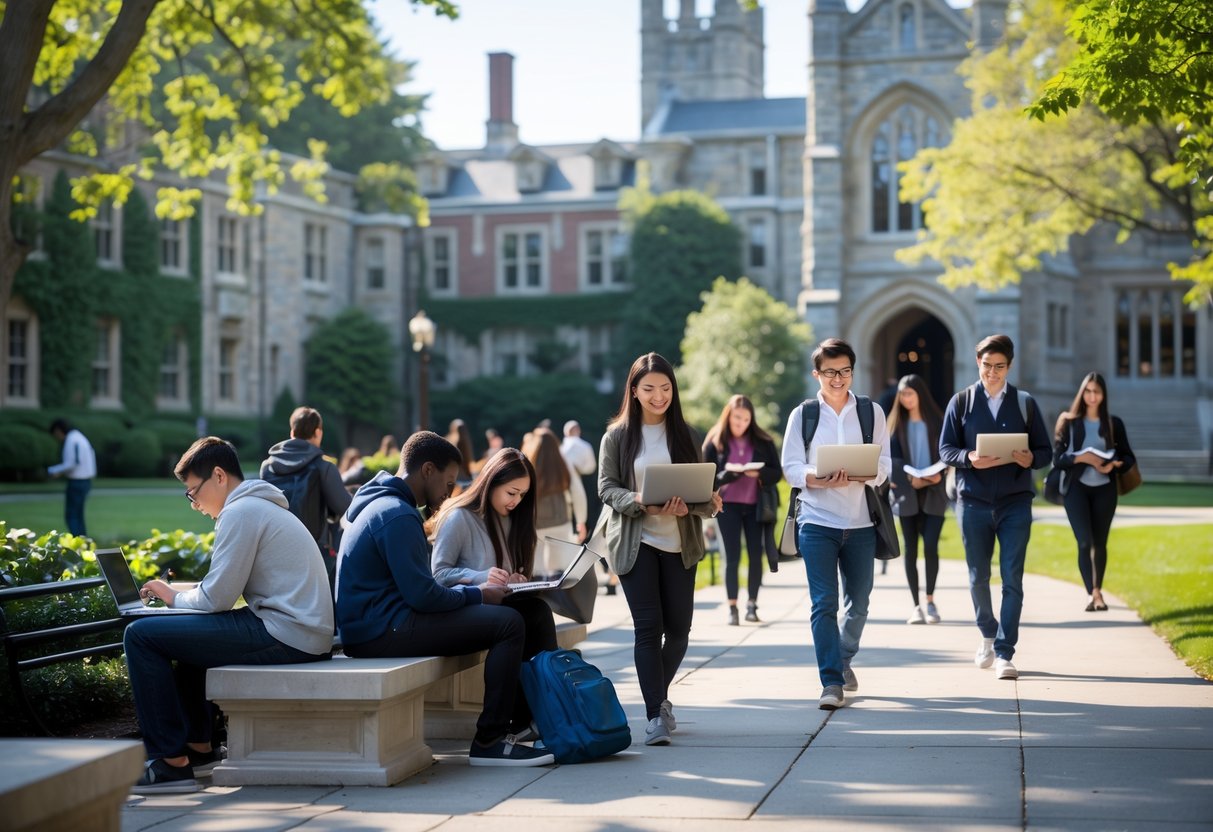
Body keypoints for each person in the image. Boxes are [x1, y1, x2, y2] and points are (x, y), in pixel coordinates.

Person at [126, 437, 334, 794]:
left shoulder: (240, 513)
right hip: (298, 629)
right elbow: (219, 593)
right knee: (191, 638)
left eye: (193, 492)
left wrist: (171, 596)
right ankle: (198, 748)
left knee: (141, 635)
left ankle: (170, 765)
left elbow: (217, 599)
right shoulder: (259, 507)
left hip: (287, 633)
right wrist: (182, 598)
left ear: (219, 476)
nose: (193, 504)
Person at [334, 431, 554, 767]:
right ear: (427, 471)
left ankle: (528, 722)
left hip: (379, 624)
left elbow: (419, 593)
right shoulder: (397, 514)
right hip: (381, 630)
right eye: (447, 481)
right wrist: (478, 593)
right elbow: (424, 595)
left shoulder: (383, 504)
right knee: (508, 624)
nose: (449, 492)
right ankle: (490, 741)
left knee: (524, 614)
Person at [597, 352, 721, 746]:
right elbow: (606, 487)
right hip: (637, 544)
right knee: (648, 630)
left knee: (679, 632)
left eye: (665, 388)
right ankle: (655, 714)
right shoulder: (616, 436)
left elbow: (699, 494)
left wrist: (703, 504)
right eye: (649, 389)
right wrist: (638, 500)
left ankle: (657, 696)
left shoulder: (687, 434)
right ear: (634, 391)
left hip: (679, 543)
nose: (658, 396)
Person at [781, 338, 890, 711]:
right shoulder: (804, 415)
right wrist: (816, 476)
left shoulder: (871, 413)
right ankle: (831, 681)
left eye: (844, 371)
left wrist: (865, 474)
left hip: (860, 523)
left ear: (852, 372)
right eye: (830, 372)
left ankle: (843, 657)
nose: (838, 378)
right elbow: (790, 466)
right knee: (823, 604)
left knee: (858, 605)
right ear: (817, 374)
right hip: (817, 521)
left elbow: (886, 464)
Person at [938, 334, 1051, 681]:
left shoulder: (1025, 404)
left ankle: (1005, 651)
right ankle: (987, 632)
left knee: (1012, 578)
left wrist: (1031, 457)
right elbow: (946, 449)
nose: (992, 372)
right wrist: (969, 458)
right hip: (972, 502)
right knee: (978, 576)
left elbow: (1045, 452)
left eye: (999, 366)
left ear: (1009, 366)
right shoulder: (962, 402)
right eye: (987, 365)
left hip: (1016, 503)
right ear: (978, 364)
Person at [431, 447, 559, 742]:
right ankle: (506, 726)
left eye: (523, 496)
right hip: (461, 607)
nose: (516, 502)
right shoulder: (459, 517)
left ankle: (538, 713)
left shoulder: (511, 520)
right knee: (515, 621)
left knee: (538, 613)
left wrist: (514, 580)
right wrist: (481, 577)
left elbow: (503, 574)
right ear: (492, 481)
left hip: (497, 606)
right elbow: (437, 576)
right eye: (512, 492)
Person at [1051, 372, 1136, 612]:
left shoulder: (1113, 423)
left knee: (1100, 542)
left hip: (1104, 490)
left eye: (1096, 392)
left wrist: (1115, 464)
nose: (1092, 396)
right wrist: (1082, 457)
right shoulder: (1068, 421)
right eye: (1087, 391)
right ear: (1082, 393)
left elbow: (1129, 457)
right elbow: (1057, 459)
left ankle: (1098, 591)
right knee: (1084, 542)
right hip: (1076, 489)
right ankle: (1091, 593)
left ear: (1103, 395)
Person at [701, 395, 781, 626]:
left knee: (756, 555)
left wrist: (760, 473)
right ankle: (733, 607)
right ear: (728, 416)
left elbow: (777, 473)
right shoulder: (714, 441)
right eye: (737, 418)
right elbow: (703, 477)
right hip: (727, 507)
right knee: (732, 556)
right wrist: (724, 476)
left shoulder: (763, 441)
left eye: (746, 419)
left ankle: (752, 605)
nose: (741, 423)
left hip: (756, 506)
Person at [260, 407, 353, 587]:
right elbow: (347, 508)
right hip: (314, 554)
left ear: (292, 431)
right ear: (318, 432)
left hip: (276, 551)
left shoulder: (267, 466)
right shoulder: (324, 467)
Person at [886, 374, 949, 625]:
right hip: (906, 493)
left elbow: (948, 453)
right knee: (910, 549)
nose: (906, 399)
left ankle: (931, 601)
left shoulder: (938, 421)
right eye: (902, 394)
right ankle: (916, 606)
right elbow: (890, 461)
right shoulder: (894, 425)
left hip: (934, 492)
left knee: (931, 546)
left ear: (920, 393)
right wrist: (913, 479)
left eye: (910, 393)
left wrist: (938, 475)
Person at [521, 427, 588, 576]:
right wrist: (581, 521)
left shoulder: (527, 463)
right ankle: (557, 599)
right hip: (560, 522)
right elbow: (578, 492)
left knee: (537, 571)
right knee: (558, 571)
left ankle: (538, 597)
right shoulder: (563, 461)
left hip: (535, 523)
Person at [47, 418, 97, 537]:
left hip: (76, 482)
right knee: (78, 515)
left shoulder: (71, 440)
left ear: (58, 431)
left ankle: (77, 542)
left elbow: (71, 462)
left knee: (72, 515)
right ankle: (83, 541)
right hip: (86, 481)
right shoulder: (79, 437)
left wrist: (53, 470)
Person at [446, 419, 476, 493]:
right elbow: (469, 461)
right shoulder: (466, 442)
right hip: (464, 479)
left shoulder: (448, 442)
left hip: (452, 479)